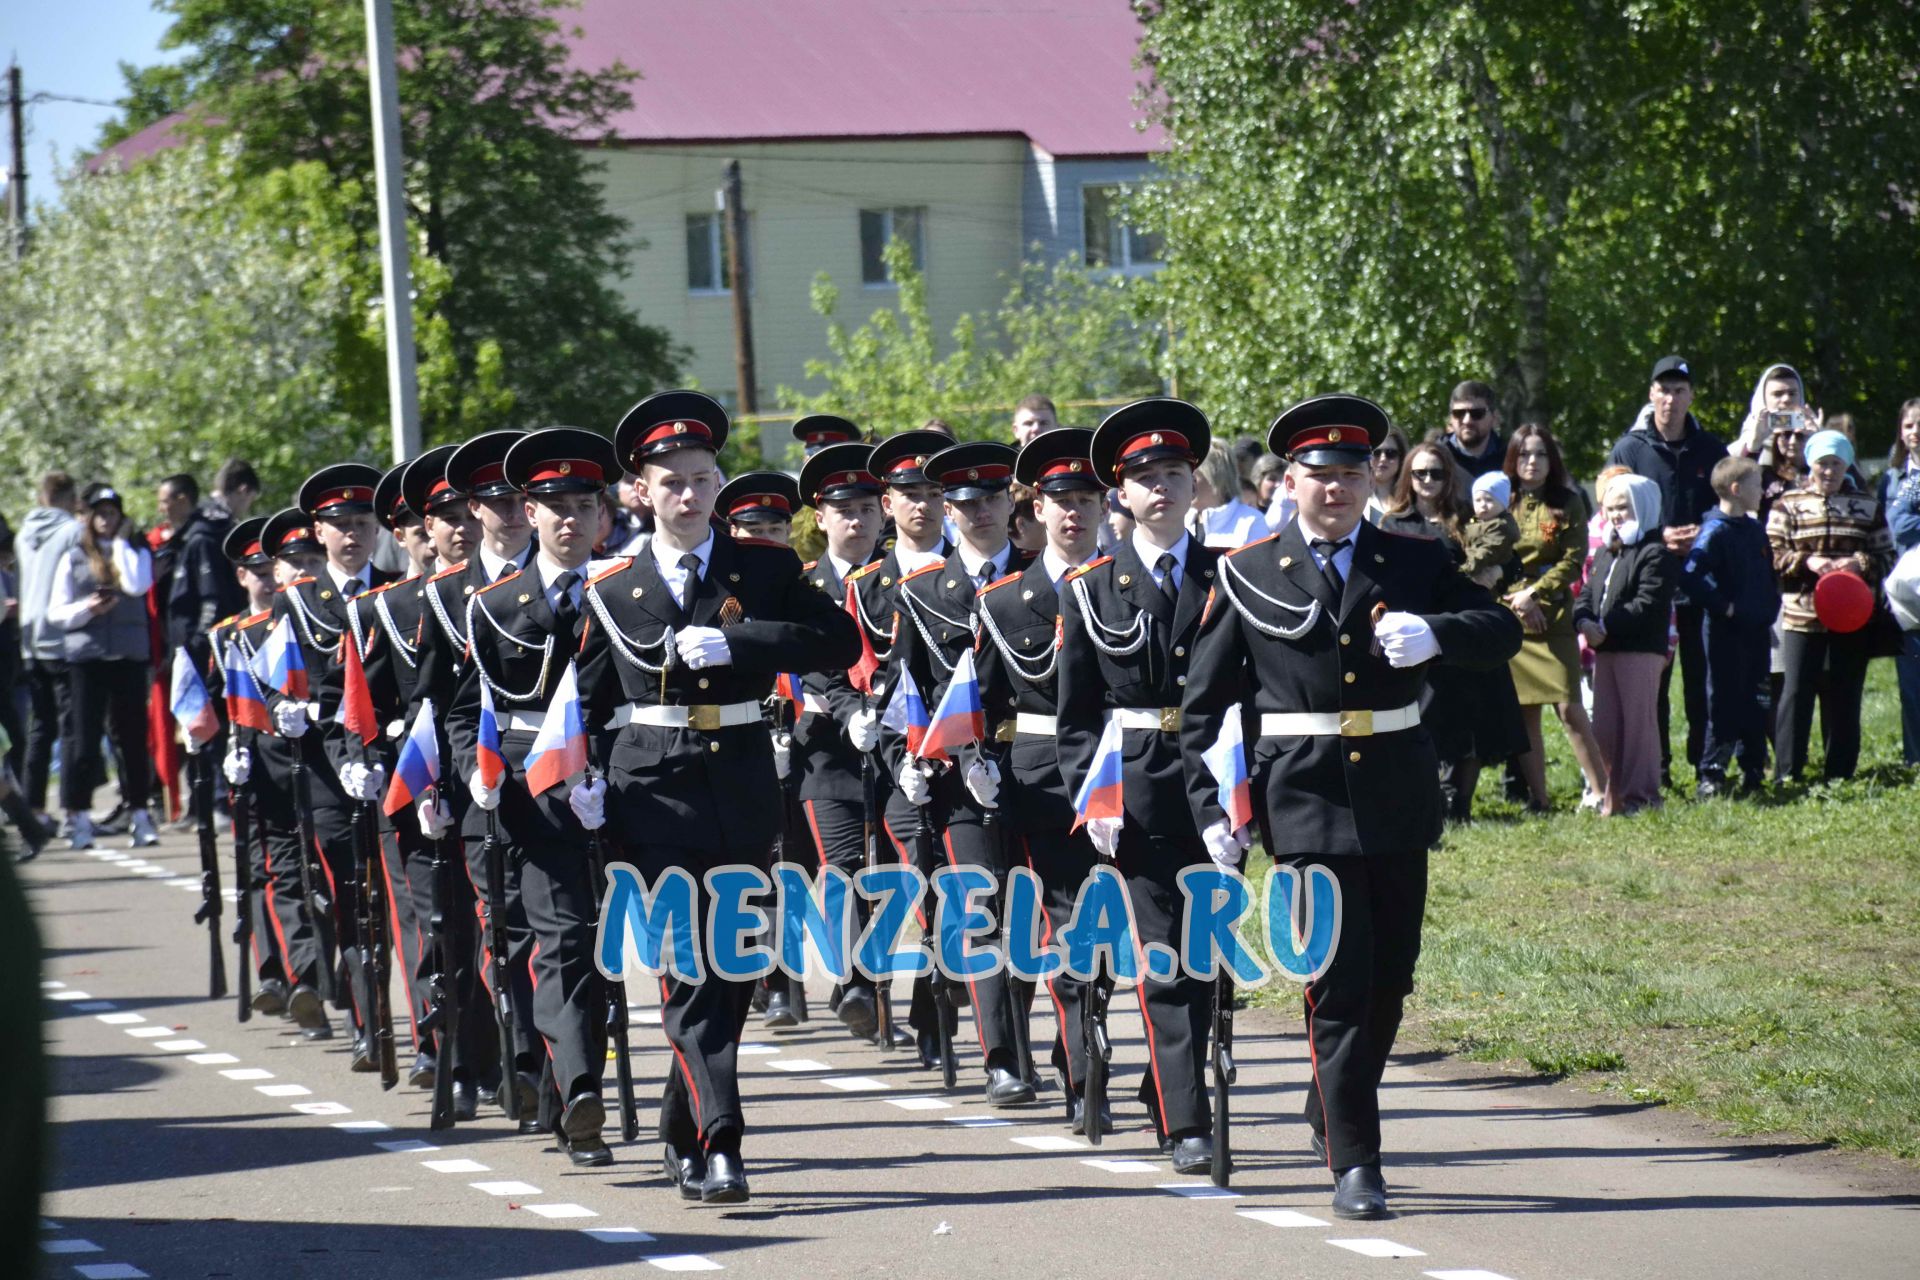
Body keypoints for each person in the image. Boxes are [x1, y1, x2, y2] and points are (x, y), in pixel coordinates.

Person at [1182, 393, 1521, 1219]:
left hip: (1397, 796)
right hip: (1300, 802)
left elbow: (1499, 630)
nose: (1334, 489)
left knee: (1391, 977)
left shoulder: (1413, 556)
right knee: (1336, 983)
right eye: (1317, 475)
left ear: (1372, 476)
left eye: (1349, 473)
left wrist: (1440, 633)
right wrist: (1212, 810)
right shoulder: (1248, 569)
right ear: (1289, 482)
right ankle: (1356, 1164)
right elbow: (1204, 710)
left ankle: (1329, 1105)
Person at [573, 394, 859, 1201]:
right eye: (671, 484)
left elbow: (839, 642)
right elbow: (585, 698)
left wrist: (743, 640)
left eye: (702, 480)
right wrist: (583, 779)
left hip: (738, 777)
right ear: (640, 492)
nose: (689, 497)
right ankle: (724, 1138)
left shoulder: (762, 567)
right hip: (649, 789)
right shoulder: (611, 584)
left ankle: (681, 1129)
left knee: (727, 968)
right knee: (683, 966)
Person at [1056, 397, 1223, 1176]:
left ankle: (1181, 1092)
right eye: (1145, 477)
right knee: (1163, 955)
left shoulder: (1233, 577)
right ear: (1119, 493)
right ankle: (1183, 1119)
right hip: (1139, 790)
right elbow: (1077, 715)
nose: (1162, 487)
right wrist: (1095, 800)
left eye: (1175, 474)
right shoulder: (1091, 588)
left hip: (1216, 785)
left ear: (1197, 486)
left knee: (1207, 955)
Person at [889, 439, 1037, 1104]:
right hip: (957, 776)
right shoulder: (921, 592)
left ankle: (1042, 1029)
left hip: (1038, 764)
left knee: (1034, 913)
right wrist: (910, 760)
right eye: (966, 502)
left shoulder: (1046, 577)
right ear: (948, 509)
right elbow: (908, 689)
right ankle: (1000, 1056)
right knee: (976, 908)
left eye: (992, 498)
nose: (980, 512)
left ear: (1012, 503)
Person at [974, 427, 1110, 1133]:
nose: (1074, 513)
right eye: (1061, 500)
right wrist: (976, 766)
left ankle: (1108, 1053)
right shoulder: (1003, 602)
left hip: (1127, 778)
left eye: (1087, 498)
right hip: (1044, 783)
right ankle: (1084, 1071)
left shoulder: (1131, 585)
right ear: (1038, 508)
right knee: (1068, 929)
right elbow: (985, 704)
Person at [412, 430, 539, 1123]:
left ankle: (532, 1063)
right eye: (489, 500)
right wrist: (433, 787)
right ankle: (465, 1060)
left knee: (534, 931)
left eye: (515, 498)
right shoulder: (441, 597)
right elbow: (430, 704)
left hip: (547, 779)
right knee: (462, 933)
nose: (504, 511)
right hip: (469, 789)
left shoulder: (559, 577)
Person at [261, 466, 399, 1068]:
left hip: (387, 765)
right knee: (349, 899)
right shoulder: (298, 600)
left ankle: (397, 1021)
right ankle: (369, 1020)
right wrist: (284, 711)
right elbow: (272, 681)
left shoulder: (398, 591)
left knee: (393, 901)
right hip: (324, 771)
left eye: (363, 525)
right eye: (340, 527)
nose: (352, 536)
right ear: (319, 533)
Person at [841, 429, 953, 1065]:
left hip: (963, 744)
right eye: (909, 493)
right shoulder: (866, 584)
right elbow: (858, 667)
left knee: (963, 885)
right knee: (916, 875)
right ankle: (916, 998)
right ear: (888, 503)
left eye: (933, 492)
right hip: (895, 752)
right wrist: (857, 715)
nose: (922, 505)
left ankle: (939, 1011)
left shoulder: (974, 573)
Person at [781, 443, 886, 1035]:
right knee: (842, 866)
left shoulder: (903, 579)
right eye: (842, 508)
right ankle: (853, 981)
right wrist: (847, 709)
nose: (856, 518)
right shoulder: (806, 586)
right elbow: (811, 660)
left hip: (898, 747)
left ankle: (917, 989)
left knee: (897, 871)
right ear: (820, 517)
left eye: (867, 507)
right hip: (824, 748)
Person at [1379, 441, 1528, 821]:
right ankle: (1434, 800)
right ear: (1408, 477)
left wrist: (1500, 573)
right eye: (1420, 473)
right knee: (1428, 724)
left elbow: (1510, 559)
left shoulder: (1468, 517)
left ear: (1449, 477)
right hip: (1420, 635)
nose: (1428, 480)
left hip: (1466, 631)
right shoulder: (1393, 523)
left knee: (1473, 723)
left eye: (1437, 473)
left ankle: (1460, 803)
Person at [1607, 355, 1727, 786]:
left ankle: (1705, 767)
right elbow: (1612, 513)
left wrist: (1705, 531)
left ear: (1691, 396)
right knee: (1650, 684)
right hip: (1648, 584)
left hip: (1700, 582)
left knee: (1702, 680)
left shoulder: (1711, 449)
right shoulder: (1629, 449)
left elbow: (1728, 506)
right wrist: (1660, 536)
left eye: (1680, 390)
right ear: (1651, 394)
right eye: (1664, 389)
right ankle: (1653, 767)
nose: (1672, 399)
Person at [1767, 430, 1894, 782]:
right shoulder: (1787, 504)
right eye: (1823, 463)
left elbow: (1886, 556)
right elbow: (1773, 554)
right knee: (1795, 694)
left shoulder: (1868, 506)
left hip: (1852, 616)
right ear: (1811, 464)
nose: (1829, 471)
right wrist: (1807, 562)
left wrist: (1859, 564)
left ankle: (1840, 771)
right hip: (1801, 614)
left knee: (1845, 692)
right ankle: (1787, 772)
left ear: (1846, 465)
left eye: (1836, 463)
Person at [207, 516, 292, 1013]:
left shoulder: (295, 621)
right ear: (241, 577)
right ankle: (271, 972)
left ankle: (303, 970)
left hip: (300, 759)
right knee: (260, 870)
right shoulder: (225, 635)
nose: (264, 578)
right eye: (254, 571)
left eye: (269, 568)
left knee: (303, 874)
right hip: (252, 763)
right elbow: (217, 708)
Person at [46, 484, 157, 850]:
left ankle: (140, 813)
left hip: (127, 657)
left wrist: (123, 544)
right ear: (90, 518)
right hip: (88, 659)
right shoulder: (74, 556)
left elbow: (138, 585)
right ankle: (78, 817)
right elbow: (57, 612)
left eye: (112, 513)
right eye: (100, 513)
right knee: (84, 742)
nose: (106, 520)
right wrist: (88, 609)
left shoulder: (135, 551)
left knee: (132, 739)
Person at [1504, 424, 1608, 811]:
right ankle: (1540, 798)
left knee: (1569, 706)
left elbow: (1573, 558)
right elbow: (1490, 555)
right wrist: (1518, 600)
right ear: (1514, 458)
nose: (1533, 462)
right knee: (1525, 709)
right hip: (1511, 612)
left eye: (1541, 454)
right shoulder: (1502, 500)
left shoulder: (1568, 500)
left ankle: (1601, 792)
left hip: (1555, 614)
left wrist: (1536, 594)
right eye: (1526, 454)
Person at [1574, 474, 1677, 815]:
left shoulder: (1655, 553)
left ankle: (1642, 798)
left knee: (1637, 727)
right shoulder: (1606, 551)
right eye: (1611, 508)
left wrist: (1603, 625)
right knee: (1605, 727)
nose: (1616, 514)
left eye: (1624, 507)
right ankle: (1610, 798)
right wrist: (1584, 621)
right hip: (1605, 649)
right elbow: (1588, 593)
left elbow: (1646, 603)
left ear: (1644, 508)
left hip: (1639, 650)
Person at [1681, 456, 1780, 795]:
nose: (1763, 491)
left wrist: (1769, 607)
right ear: (1736, 490)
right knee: (1724, 700)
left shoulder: (1754, 529)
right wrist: (1724, 607)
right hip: (1726, 633)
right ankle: (1712, 773)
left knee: (1757, 699)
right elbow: (1692, 575)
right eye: (1757, 485)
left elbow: (1767, 576)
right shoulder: (1715, 531)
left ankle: (1753, 768)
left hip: (1756, 630)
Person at [16, 473, 81, 828]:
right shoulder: (72, 530)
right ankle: (72, 808)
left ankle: (34, 807)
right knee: (70, 726)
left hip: (31, 638)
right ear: (69, 497)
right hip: (62, 635)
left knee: (41, 726)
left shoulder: (25, 533)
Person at [1880, 398, 1920, 763]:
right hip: (1910, 593)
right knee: (1912, 678)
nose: (1916, 432)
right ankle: (1915, 757)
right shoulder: (1894, 479)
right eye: (1909, 425)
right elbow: (1898, 527)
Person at [1730, 364, 1823, 461]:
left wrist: (1817, 441)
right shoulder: (1741, 447)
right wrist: (1754, 445)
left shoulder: (1816, 436)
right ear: (1763, 399)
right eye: (1778, 394)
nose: (1786, 399)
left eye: (1792, 394)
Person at [1192, 446, 1266, 547]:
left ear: (1216, 479)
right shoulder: (1178, 519)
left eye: (1194, 477)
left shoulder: (1251, 522)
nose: (1187, 483)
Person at [1463, 472, 1519, 591]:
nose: (1483, 505)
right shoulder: (1476, 521)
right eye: (1478, 500)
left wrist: (1466, 569)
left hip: (1489, 578)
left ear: (1503, 503)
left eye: (1489, 500)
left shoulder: (1500, 527)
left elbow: (1487, 550)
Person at [1441, 380, 1507, 479]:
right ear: (1450, 419)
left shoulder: (1510, 457)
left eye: (1477, 413)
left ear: (1494, 417)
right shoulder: (1436, 457)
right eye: (1459, 413)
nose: (1467, 421)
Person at [1364, 427, 1409, 524]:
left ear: (1401, 458)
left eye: (1391, 453)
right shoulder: (1356, 496)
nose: (1383, 458)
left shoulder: (1411, 499)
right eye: (1376, 453)